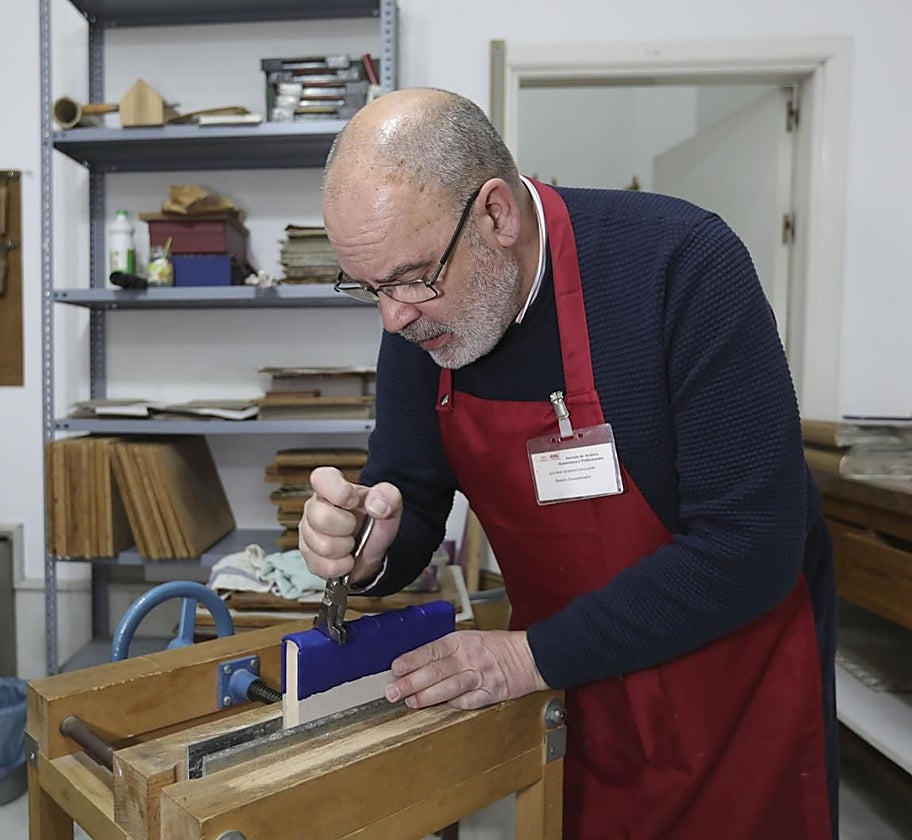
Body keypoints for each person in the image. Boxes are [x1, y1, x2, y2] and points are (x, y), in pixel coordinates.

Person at [299, 88, 837, 840]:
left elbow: (750, 547)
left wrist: (528, 658)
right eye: (370, 289)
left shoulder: (681, 264)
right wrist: (367, 548)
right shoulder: (421, 319)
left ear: (497, 215)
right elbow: (411, 495)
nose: (394, 318)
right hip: (570, 685)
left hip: (729, 694)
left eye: (414, 278)